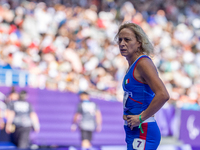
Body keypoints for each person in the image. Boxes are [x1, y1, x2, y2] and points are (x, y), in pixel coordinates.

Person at [115, 22, 170, 150]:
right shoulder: (132, 65)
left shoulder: (143, 63)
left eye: (127, 40)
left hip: (143, 129)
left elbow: (163, 95)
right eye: (120, 40)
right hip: (134, 130)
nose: (122, 43)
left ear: (139, 42)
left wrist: (140, 117)